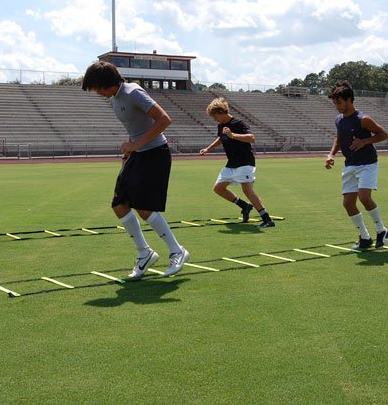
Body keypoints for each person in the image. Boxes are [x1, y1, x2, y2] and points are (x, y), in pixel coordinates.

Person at [82, 61, 190, 278]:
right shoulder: (115, 98)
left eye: (98, 89)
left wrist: (135, 146)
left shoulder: (132, 92)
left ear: (107, 83)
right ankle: (145, 254)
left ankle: (177, 251)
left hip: (155, 154)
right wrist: (129, 149)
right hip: (137, 155)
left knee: (143, 207)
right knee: (119, 204)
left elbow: (164, 119)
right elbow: (137, 127)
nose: (98, 93)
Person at [325, 81, 388, 249]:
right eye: (335, 103)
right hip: (350, 164)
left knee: (364, 197)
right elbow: (339, 139)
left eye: (339, 102)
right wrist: (331, 154)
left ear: (349, 100)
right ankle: (365, 237)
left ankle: (381, 230)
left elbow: (384, 134)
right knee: (348, 203)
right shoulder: (338, 120)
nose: (337, 106)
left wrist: (365, 141)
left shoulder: (363, 119)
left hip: (368, 163)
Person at [199, 97, 275, 228]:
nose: (214, 119)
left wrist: (233, 135)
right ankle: (244, 206)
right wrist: (208, 148)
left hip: (245, 161)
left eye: (214, 116)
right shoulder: (221, 125)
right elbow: (221, 139)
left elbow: (252, 138)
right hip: (232, 162)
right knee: (218, 188)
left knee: (247, 189)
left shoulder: (238, 123)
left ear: (220, 112)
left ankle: (267, 219)